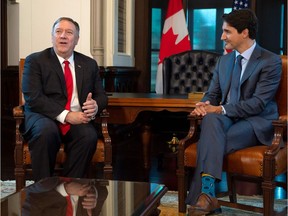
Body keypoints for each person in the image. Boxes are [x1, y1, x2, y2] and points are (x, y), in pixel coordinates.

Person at [186, 9, 282, 215]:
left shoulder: (270, 61)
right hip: (228, 119)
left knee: (210, 139)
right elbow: (213, 93)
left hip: (256, 122)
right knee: (211, 121)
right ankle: (209, 196)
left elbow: (257, 103)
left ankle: (203, 195)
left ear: (245, 33)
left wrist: (219, 108)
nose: (222, 37)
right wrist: (203, 105)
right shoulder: (225, 61)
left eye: (227, 32)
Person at [21, 17, 108, 182]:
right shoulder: (36, 61)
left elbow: (101, 95)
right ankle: (44, 189)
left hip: (77, 118)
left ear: (76, 40)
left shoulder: (89, 64)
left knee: (88, 136)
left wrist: (95, 105)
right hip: (43, 116)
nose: (63, 36)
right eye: (58, 32)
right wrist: (66, 115)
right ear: (52, 37)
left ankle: (68, 189)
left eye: (69, 33)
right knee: (46, 131)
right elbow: (33, 97)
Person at [22, 177, 109, 216]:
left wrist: (65, 189)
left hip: (48, 182)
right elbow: (103, 191)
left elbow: (32, 199)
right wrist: (94, 193)